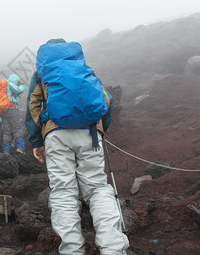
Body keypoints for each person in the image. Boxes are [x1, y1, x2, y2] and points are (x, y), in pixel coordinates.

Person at [25, 38, 129, 254]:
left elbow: (33, 106)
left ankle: (71, 250)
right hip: (89, 133)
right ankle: (113, 248)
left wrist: (37, 141)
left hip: (55, 135)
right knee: (98, 188)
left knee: (63, 191)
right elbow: (106, 99)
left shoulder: (41, 73)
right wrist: (102, 129)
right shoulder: (83, 68)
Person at [1, 73, 26, 154]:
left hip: (4, 110)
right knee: (17, 128)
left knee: (6, 131)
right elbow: (18, 90)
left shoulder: (3, 86)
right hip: (12, 109)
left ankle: (6, 150)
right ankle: (20, 148)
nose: (18, 84)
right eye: (17, 82)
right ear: (15, 80)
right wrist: (22, 85)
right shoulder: (10, 84)